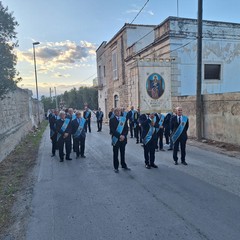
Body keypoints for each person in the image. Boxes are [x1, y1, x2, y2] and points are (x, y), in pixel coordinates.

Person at [109, 108, 130, 173]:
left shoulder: (123, 119)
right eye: (117, 111)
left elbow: (126, 129)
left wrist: (124, 135)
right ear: (114, 112)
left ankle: (123, 165)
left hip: (123, 139)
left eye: (119, 111)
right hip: (116, 139)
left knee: (122, 152)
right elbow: (112, 130)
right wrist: (119, 136)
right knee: (115, 153)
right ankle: (116, 167)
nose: (118, 112)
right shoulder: (112, 120)